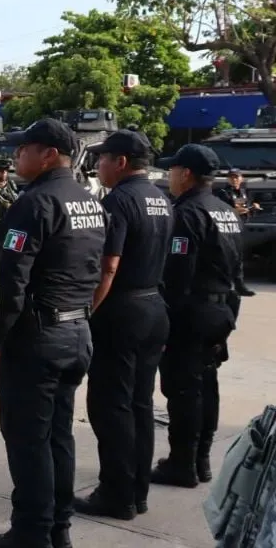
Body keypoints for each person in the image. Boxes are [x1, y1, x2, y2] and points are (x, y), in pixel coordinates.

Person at [0, 118, 106, 548]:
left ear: (49, 155)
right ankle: (59, 529)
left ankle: (32, 533)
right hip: (76, 330)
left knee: (29, 441)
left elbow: (11, 281)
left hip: (37, 339)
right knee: (58, 435)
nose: (16, 156)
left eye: (24, 149)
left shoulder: (34, 203)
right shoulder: (89, 201)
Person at [74, 130, 173, 520]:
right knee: (140, 404)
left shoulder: (118, 200)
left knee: (111, 405)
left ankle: (116, 494)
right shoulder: (161, 198)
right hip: (153, 305)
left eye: (103, 158)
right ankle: (136, 491)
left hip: (122, 311)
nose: (98, 165)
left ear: (121, 162)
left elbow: (109, 267)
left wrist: (88, 312)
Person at [150, 144, 243, 489]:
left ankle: (182, 463)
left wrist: (166, 322)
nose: (170, 176)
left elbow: (177, 275)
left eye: (173, 170)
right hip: (221, 308)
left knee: (184, 390)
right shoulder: (226, 210)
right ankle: (201, 459)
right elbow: (238, 270)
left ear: (186, 174)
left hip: (192, 312)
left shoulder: (187, 213)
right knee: (207, 383)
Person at [215, 168, 257, 296]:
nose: (234, 179)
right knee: (225, 257)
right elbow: (226, 208)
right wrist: (242, 210)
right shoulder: (223, 192)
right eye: (231, 177)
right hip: (226, 227)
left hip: (239, 226)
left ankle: (239, 286)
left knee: (238, 258)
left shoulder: (243, 192)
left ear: (241, 178)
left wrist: (253, 208)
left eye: (236, 177)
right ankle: (223, 285)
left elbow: (245, 209)